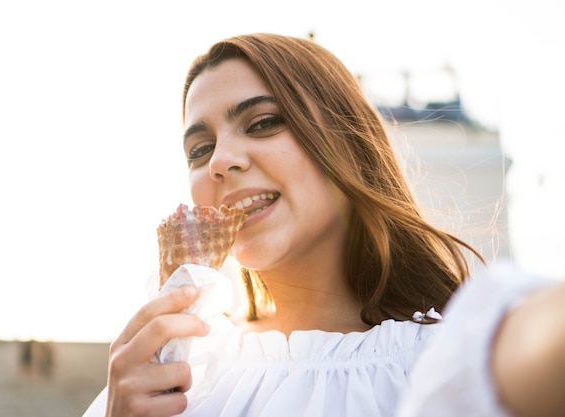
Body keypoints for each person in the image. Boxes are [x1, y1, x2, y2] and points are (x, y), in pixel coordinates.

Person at [83, 33, 565, 417]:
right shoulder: (175, 375)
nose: (220, 161)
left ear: (345, 144)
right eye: (199, 149)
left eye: (263, 122)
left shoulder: (448, 358)